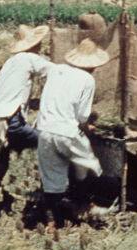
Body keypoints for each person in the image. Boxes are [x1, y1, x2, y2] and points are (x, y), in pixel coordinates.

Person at [0, 24, 52, 217]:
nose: (41, 47)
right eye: (39, 44)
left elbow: (15, 94)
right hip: (10, 122)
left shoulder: (10, 63)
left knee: (1, 168)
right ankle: (52, 198)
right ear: (33, 45)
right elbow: (57, 72)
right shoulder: (29, 58)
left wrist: (35, 103)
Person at [35, 38, 109, 228]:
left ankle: (52, 222)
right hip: (66, 131)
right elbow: (82, 116)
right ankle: (85, 206)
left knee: (52, 180)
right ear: (92, 64)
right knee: (91, 168)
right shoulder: (87, 79)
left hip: (44, 130)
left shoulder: (57, 70)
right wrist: (88, 128)